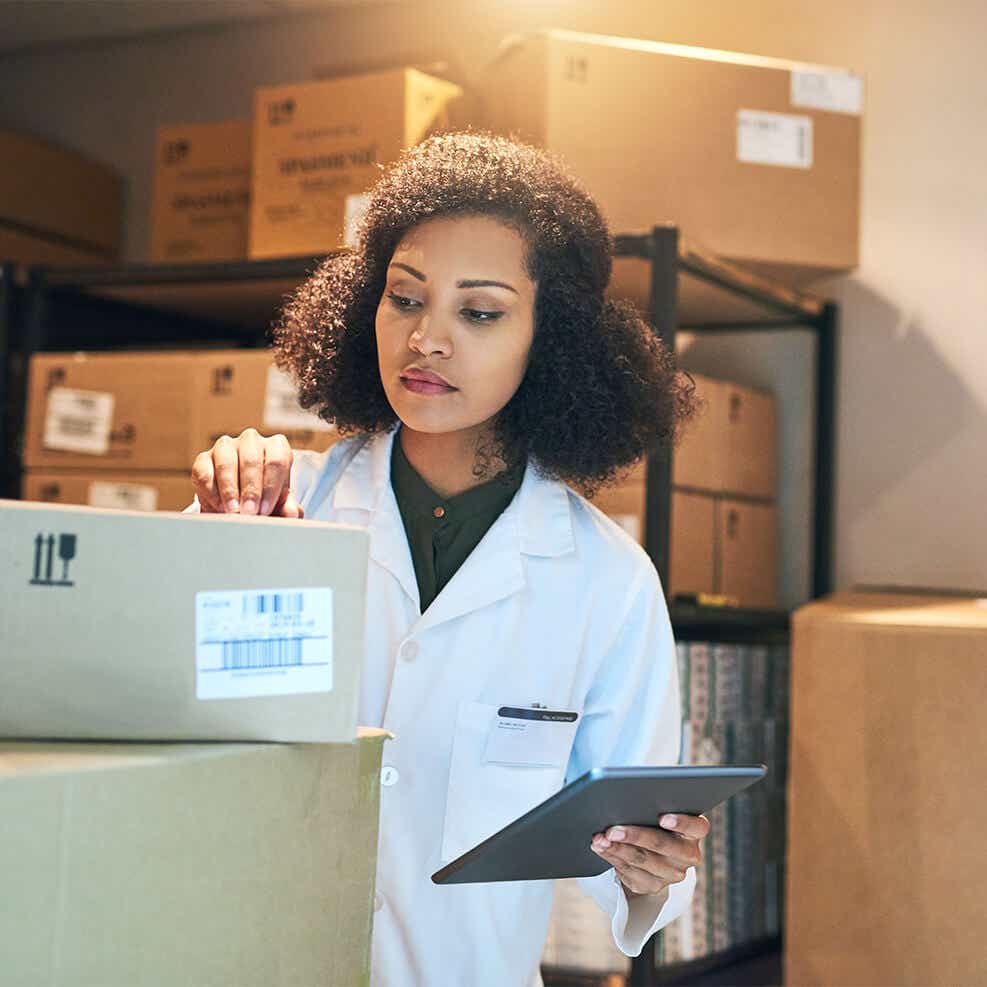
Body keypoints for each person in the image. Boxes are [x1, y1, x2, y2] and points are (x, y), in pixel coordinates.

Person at [189, 132, 710, 986]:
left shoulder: (606, 582)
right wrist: (214, 545)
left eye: (478, 311)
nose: (425, 338)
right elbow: (141, 732)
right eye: (403, 298)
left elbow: (638, 870)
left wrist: (652, 868)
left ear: (554, 338)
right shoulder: (272, 504)